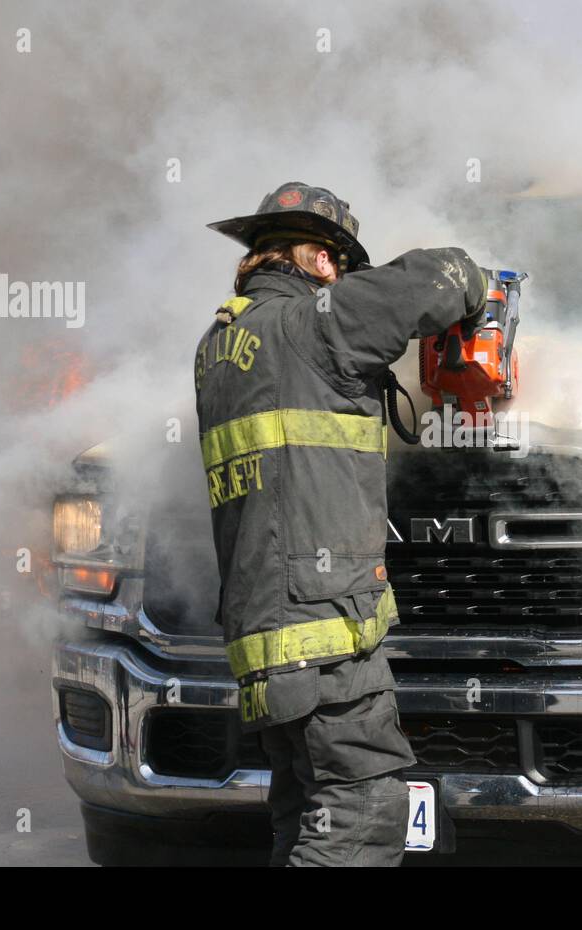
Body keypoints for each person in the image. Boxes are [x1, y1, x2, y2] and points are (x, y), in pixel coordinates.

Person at [195, 182, 486, 866]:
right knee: (364, 813)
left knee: (305, 813)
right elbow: (445, 273)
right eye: (343, 265)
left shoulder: (221, 345)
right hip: (326, 636)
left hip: (269, 637)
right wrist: (480, 293)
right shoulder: (316, 323)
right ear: (323, 264)